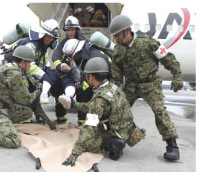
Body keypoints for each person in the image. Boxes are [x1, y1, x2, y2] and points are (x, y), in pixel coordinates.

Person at [109, 15, 183, 161]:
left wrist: (177, 77)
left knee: (159, 111)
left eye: (117, 35)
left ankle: (172, 145)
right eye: (114, 36)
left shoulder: (149, 43)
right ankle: (118, 141)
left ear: (127, 31)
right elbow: (116, 76)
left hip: (150, 83)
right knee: (118, 111)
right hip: (131, 85)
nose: (116, 38)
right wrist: (113, 94)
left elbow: (169, 59)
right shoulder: (118, 50)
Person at [0, 46, 56, 148]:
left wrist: (47, 121)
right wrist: (39, 92)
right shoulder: (14, 74)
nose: (30, 66)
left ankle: (2, 126)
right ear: (23, 61)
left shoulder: (8, 68)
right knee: (13, 141)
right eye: (29, 63)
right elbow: (26, 99)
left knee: (27, 112)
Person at [58, 57, 144, 166]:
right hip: (126, 129)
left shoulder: (99, 99)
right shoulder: (113, 87)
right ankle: (117, 141)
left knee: (88, 142)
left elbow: (89, 127)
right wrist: (74, 105)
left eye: (87, 75)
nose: (86, 77)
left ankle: (113, 144)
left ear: (92, 76)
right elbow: (94, 107)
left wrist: (75, 153)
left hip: (115, 132)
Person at [4, 19, 60, 123]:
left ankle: (36, 115)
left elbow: (44, 61)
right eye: (48, 36)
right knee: (25, 90)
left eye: (52, 37)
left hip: (25, 70)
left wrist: (48, 73)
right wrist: (44, 76)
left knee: (35, 89)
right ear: (42, 34)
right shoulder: (31, 44)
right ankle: (24, 119)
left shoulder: (43, 46)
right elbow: (30, 65)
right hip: (16, 70)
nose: (50, 39)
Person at [40, 16, 87, 125]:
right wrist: (60, 66)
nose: (70, 33)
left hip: (81, 75)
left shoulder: (84, 43)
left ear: (77, 30)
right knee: (59, 91)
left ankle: (82, 121)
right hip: (66, 74)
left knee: (82, 96)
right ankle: (61, 119)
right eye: (68, 30)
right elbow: (56, 56)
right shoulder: (64, 42)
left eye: (72, 30)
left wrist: (74, 69)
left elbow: (86, 58)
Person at [60, 38, 112, 126]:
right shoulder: (85, 53)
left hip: (106, 78)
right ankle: (83, 122)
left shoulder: (93, 56)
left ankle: (91, 125)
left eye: (73, 56)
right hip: (98, 78)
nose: (73, 59)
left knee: (94, 100)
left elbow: (93, 77)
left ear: (78, 52)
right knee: (83, 90)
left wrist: (71, 70)